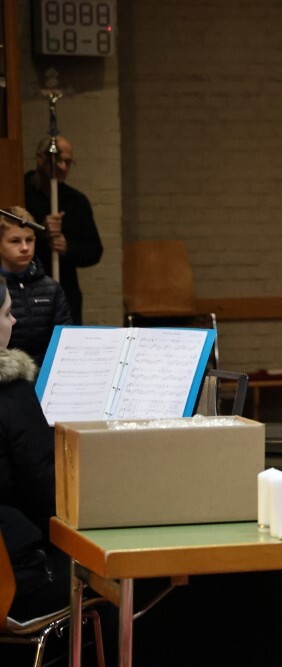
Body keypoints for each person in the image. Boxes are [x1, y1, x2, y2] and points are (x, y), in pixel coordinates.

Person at [0, 278, 72, 622]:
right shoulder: (11, 396)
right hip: (17, 582)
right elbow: (48, 494)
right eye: (7, 313)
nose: (14, 321)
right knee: (119, 575)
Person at [23, 135, 104, 325]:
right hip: (26, 289)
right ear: (40, 158)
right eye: (57, 160)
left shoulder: (76, 201)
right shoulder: (19, 192)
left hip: (65, 292)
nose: (62, 167)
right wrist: (40, 231)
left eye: (68, 162)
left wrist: (67, 248)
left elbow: (94, 251)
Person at [0, 207, 72, 367]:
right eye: (15, 241)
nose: (25, 247)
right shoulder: (1, 290)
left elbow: (65, 340)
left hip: (46, 371)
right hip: (7, 373)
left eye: (29, 240)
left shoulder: (52, 289)